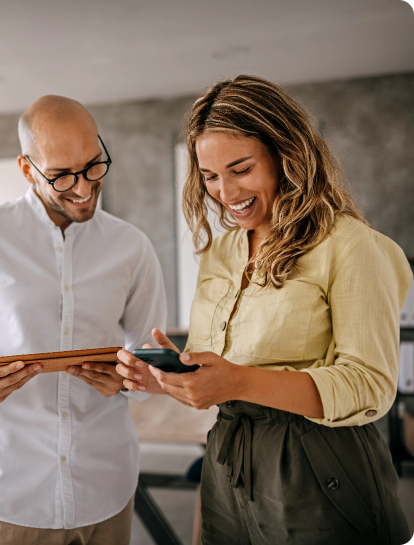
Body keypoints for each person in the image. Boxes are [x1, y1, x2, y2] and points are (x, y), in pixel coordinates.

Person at [116, 75, 412, 544]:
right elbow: (216, 366)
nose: (225, 192)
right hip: (228, 461)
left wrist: (236, 381)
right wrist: (163, 379)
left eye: (241, 169)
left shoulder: (350, 245)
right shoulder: (221, 252)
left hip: (320, 464)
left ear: (285, 155)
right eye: (210, 176)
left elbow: (370, 385)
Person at [0, 95, 167, 545]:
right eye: (60, 176)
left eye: (94, 165)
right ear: (26, 169)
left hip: (106, 486)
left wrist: (139, 376)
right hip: (10, 491)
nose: (83, 187)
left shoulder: (133, 247)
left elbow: (149, 356)